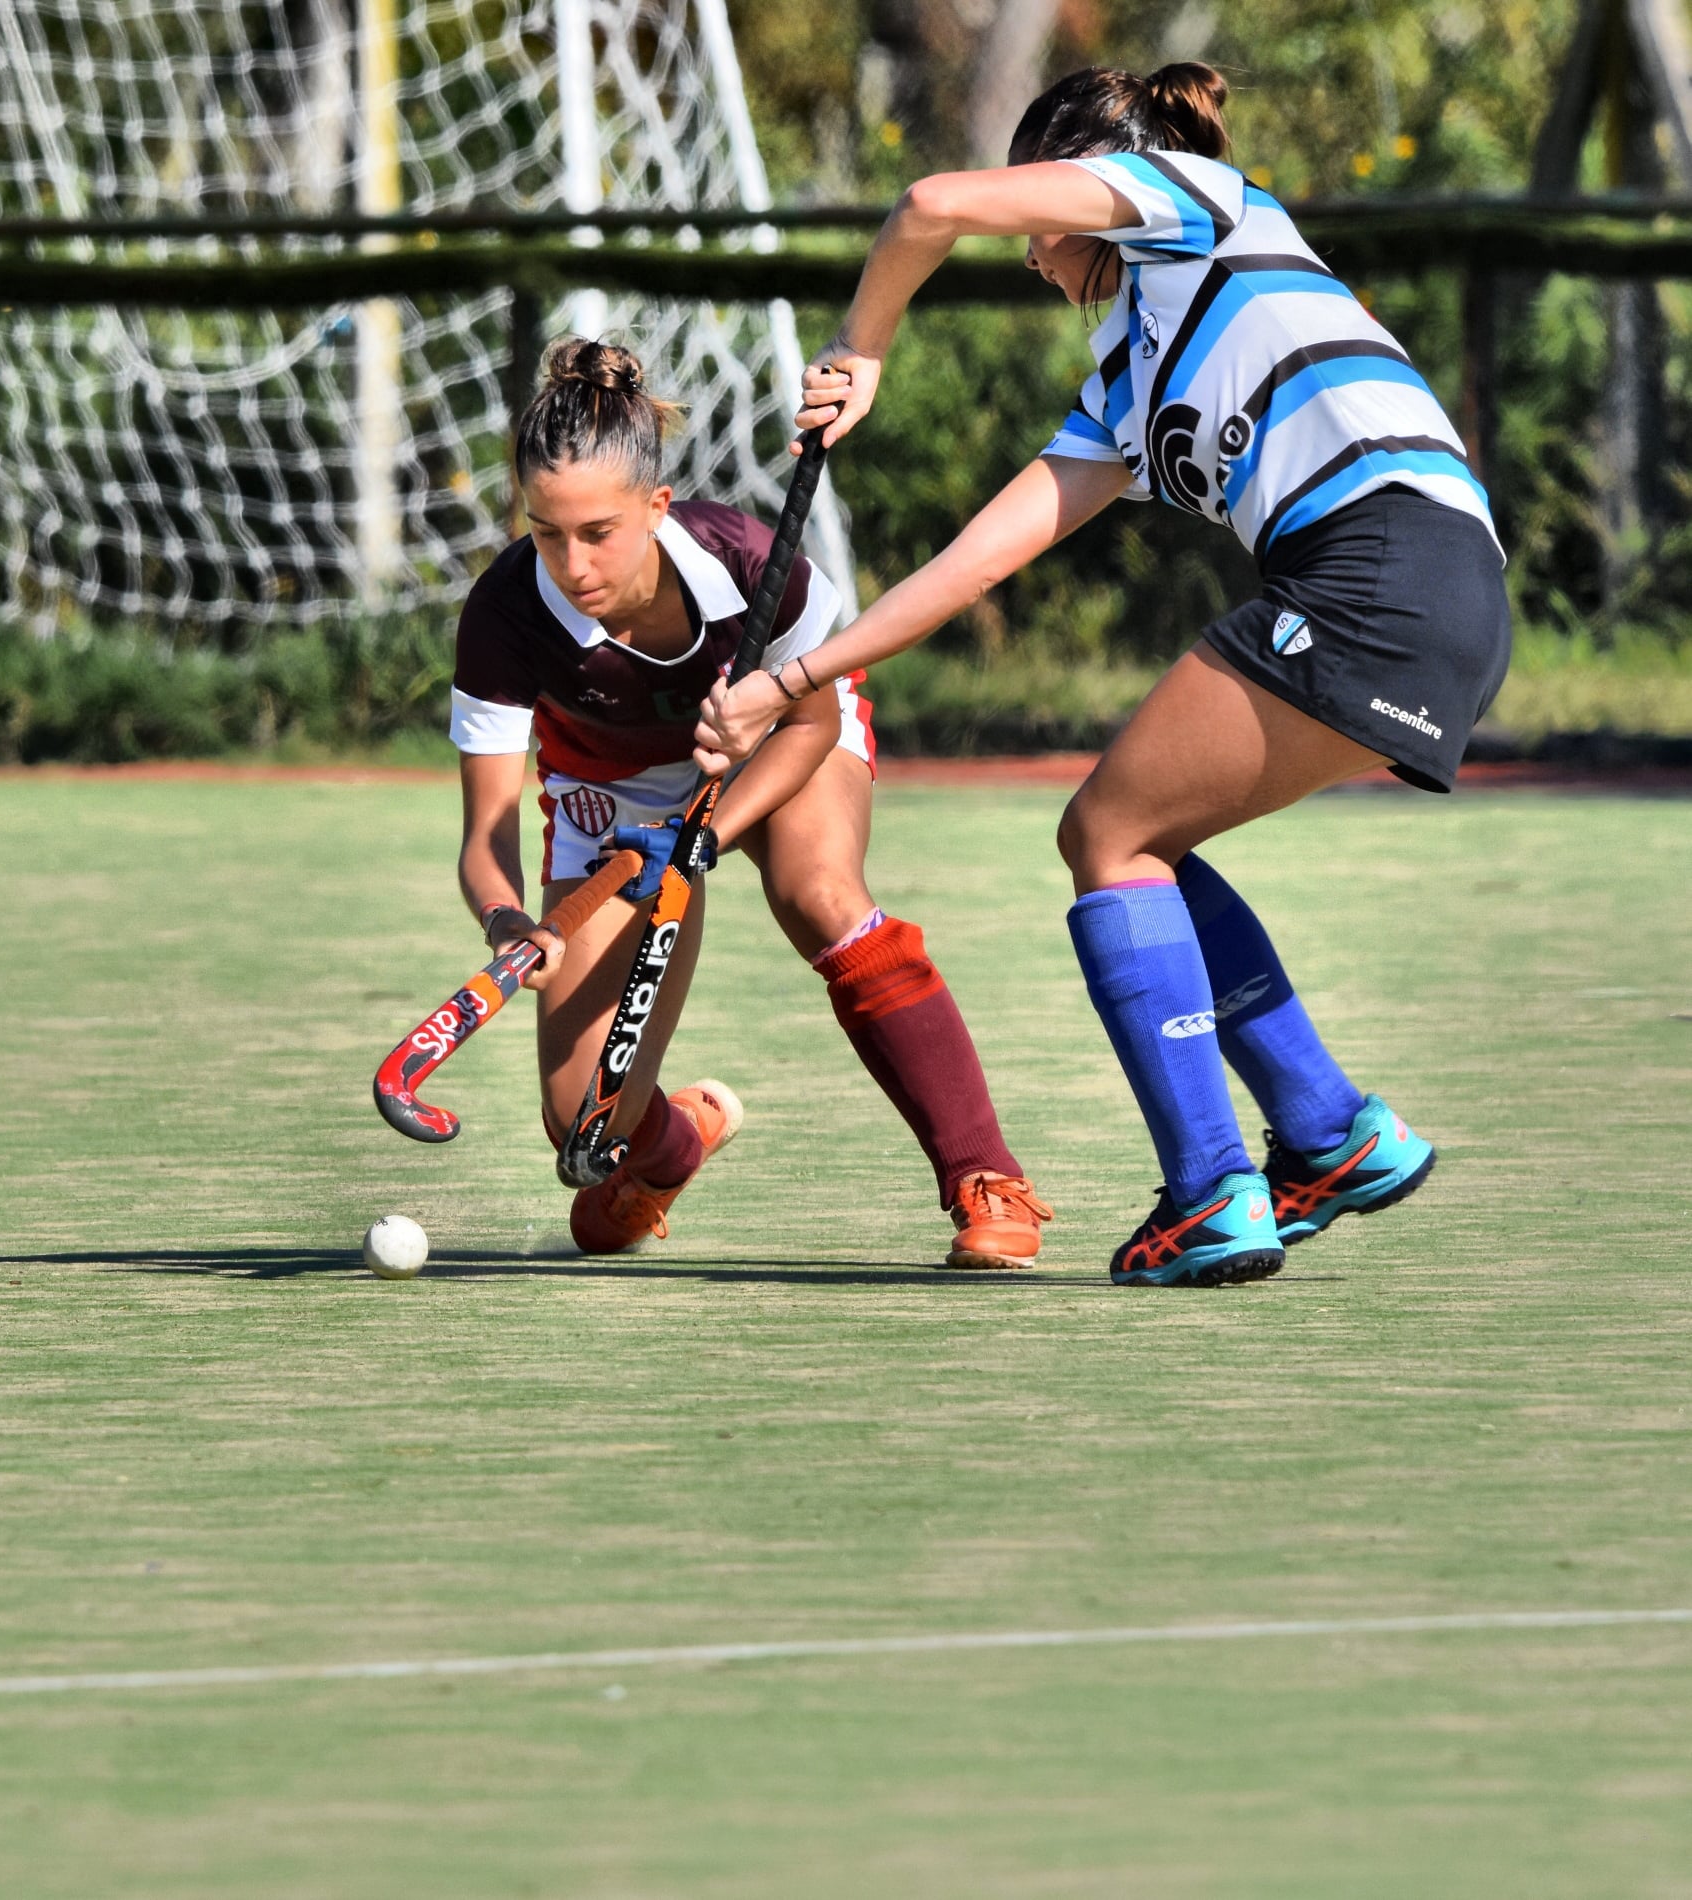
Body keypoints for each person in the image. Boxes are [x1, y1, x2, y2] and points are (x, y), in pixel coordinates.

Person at [694, 63, 1510, 1287]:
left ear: (1085, 184)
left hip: (1380, 565)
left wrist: (859, 352)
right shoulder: (1134, 377)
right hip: (1437, 590)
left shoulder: (1192, 200)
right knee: (1143, 843)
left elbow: (925, 204)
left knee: (1108, 836)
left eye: (1040, 220)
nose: (1029, 252)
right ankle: (1333, 1133)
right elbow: (975, 563)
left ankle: (1211, 1191)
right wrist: (789, 678)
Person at [453, 336, 1053, 1266]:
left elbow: (810, 726)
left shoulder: (742, 562)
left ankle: (986, 1179)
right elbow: (485, 832)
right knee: (580, 1122)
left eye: (599, 533)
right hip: (608, 793)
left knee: (818, 891)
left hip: (778, 737)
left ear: (655, 508)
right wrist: (506, 920)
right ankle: (671, 1148)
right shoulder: (503, 617)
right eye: (546, 532)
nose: (573, 564)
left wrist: (701, 838)